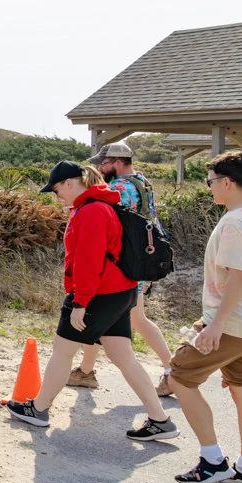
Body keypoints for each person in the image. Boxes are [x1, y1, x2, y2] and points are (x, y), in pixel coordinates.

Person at [6, 161, 180, 441]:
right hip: (121, 292)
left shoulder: (91, 211)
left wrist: (80, 302)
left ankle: (38, 409)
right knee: (124, 358)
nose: (56, 196)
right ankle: (160, 420)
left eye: (56, 190)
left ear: (70, 183)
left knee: (62, 351)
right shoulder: (104, 204)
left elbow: (89, 261)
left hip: (99, 294)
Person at [169, 151, 242, 483]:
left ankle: (212, 461)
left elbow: (237, 277)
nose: (209, 188)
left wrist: (215, 325)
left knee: (179, 376)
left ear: (228, 182)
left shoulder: (235, 222)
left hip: (236, 323)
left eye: (211, 182)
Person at [68, 142, 174, 396]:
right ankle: (85, 371)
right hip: (140, 261)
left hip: (123, 267)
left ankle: (173, 372)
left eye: (102, 164)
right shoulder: (142, 182)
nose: (99, 168)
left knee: (123, 318)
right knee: (112, 319)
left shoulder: (119, 188)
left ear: (117, 162)